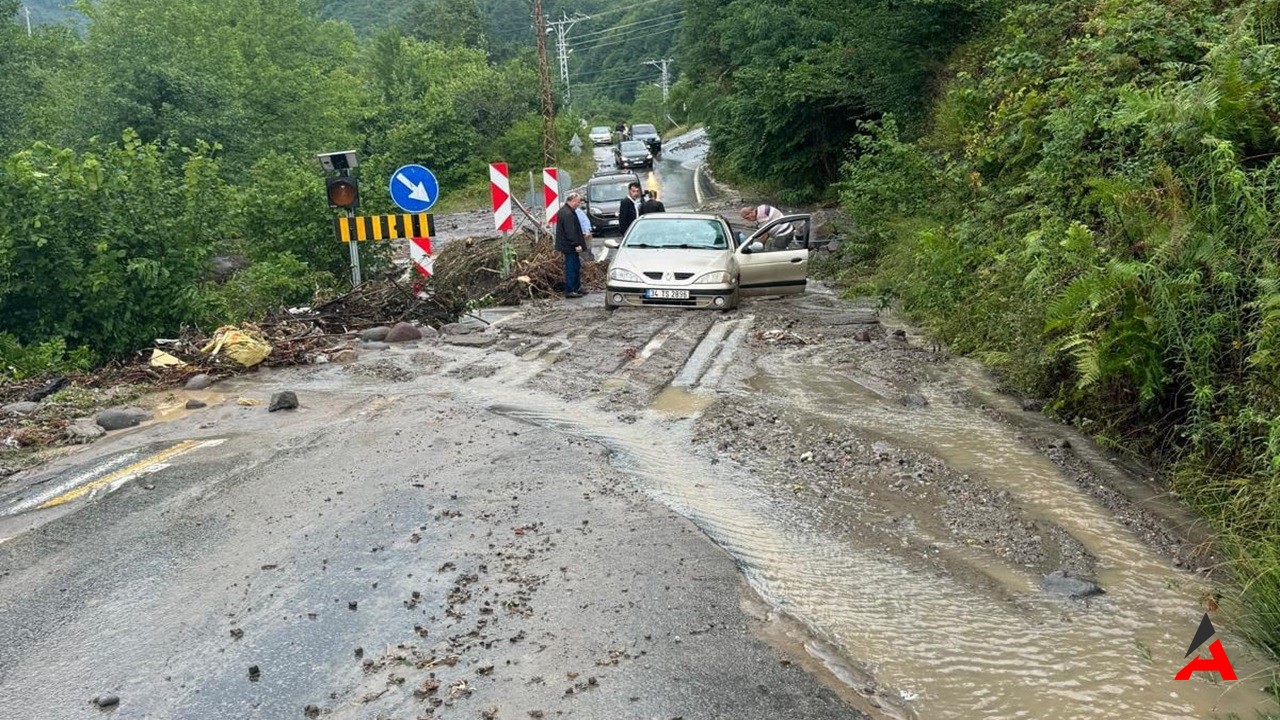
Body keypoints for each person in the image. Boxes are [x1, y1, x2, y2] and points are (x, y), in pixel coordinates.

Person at [555, 193, 587, 298]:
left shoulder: (566, 211)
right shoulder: (568, 213)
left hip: (568, 245)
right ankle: (570, 290)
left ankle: (576, 288)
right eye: (578, 202)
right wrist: (576, 244)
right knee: (571, 268)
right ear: (572, 201)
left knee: (575, 266)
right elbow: (570, 231)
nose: (578, 204)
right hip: (569, 246)